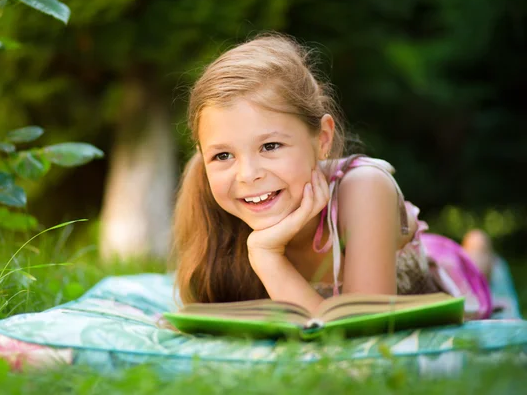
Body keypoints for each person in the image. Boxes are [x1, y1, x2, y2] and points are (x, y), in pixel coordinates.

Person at [171, 33, 493, 318]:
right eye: (223, 155)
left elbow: (358, 334)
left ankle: (479, 250)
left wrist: (267, 257)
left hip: (441, 275)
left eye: (270, 146)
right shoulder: (211, 201)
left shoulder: (365, 187)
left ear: (322, 139)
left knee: (474, 269)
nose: (248, 174)